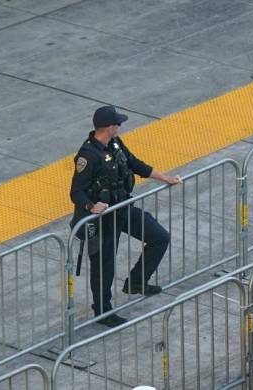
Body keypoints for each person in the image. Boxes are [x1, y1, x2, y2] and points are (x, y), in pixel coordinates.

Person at [69, 105, 181, 327]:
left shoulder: (115, 144)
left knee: (160, 237)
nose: (120, 126)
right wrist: (91, 206)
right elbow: (76, 192)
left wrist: (165, 178)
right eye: (117, 123)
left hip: (121, 208)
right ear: (109, 127)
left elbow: (135, 164)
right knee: (104, 266)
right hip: (101, 220)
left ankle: (137, 281)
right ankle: (103, 311)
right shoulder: (88, 156)